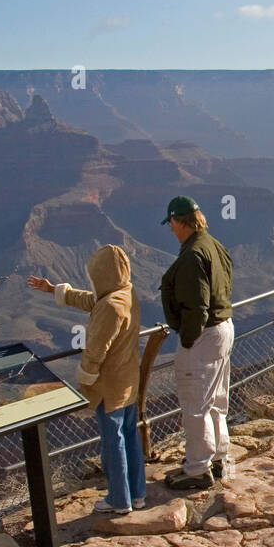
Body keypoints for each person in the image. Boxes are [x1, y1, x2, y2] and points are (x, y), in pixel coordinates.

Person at [28, 246, 145, 514]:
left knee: (112, 441)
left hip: (109, 386)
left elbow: (96, 349)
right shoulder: (126, 294)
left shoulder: (111, 307)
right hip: (128, 380)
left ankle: (119, 500)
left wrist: (85, 375)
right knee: (129, 435)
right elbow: (93, 300)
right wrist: (56, 290)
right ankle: (137, 494)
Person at [159, 196, 234, 492]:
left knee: (195, 405)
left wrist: (188, 339)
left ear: (180, 222)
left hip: (203, 336)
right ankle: (218, 457)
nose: (171, 230)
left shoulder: (191, 256)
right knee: (216, 400)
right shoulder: (213, 244)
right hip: (223, 328)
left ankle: (197, 469)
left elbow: (197, 307)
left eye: (172, 224)